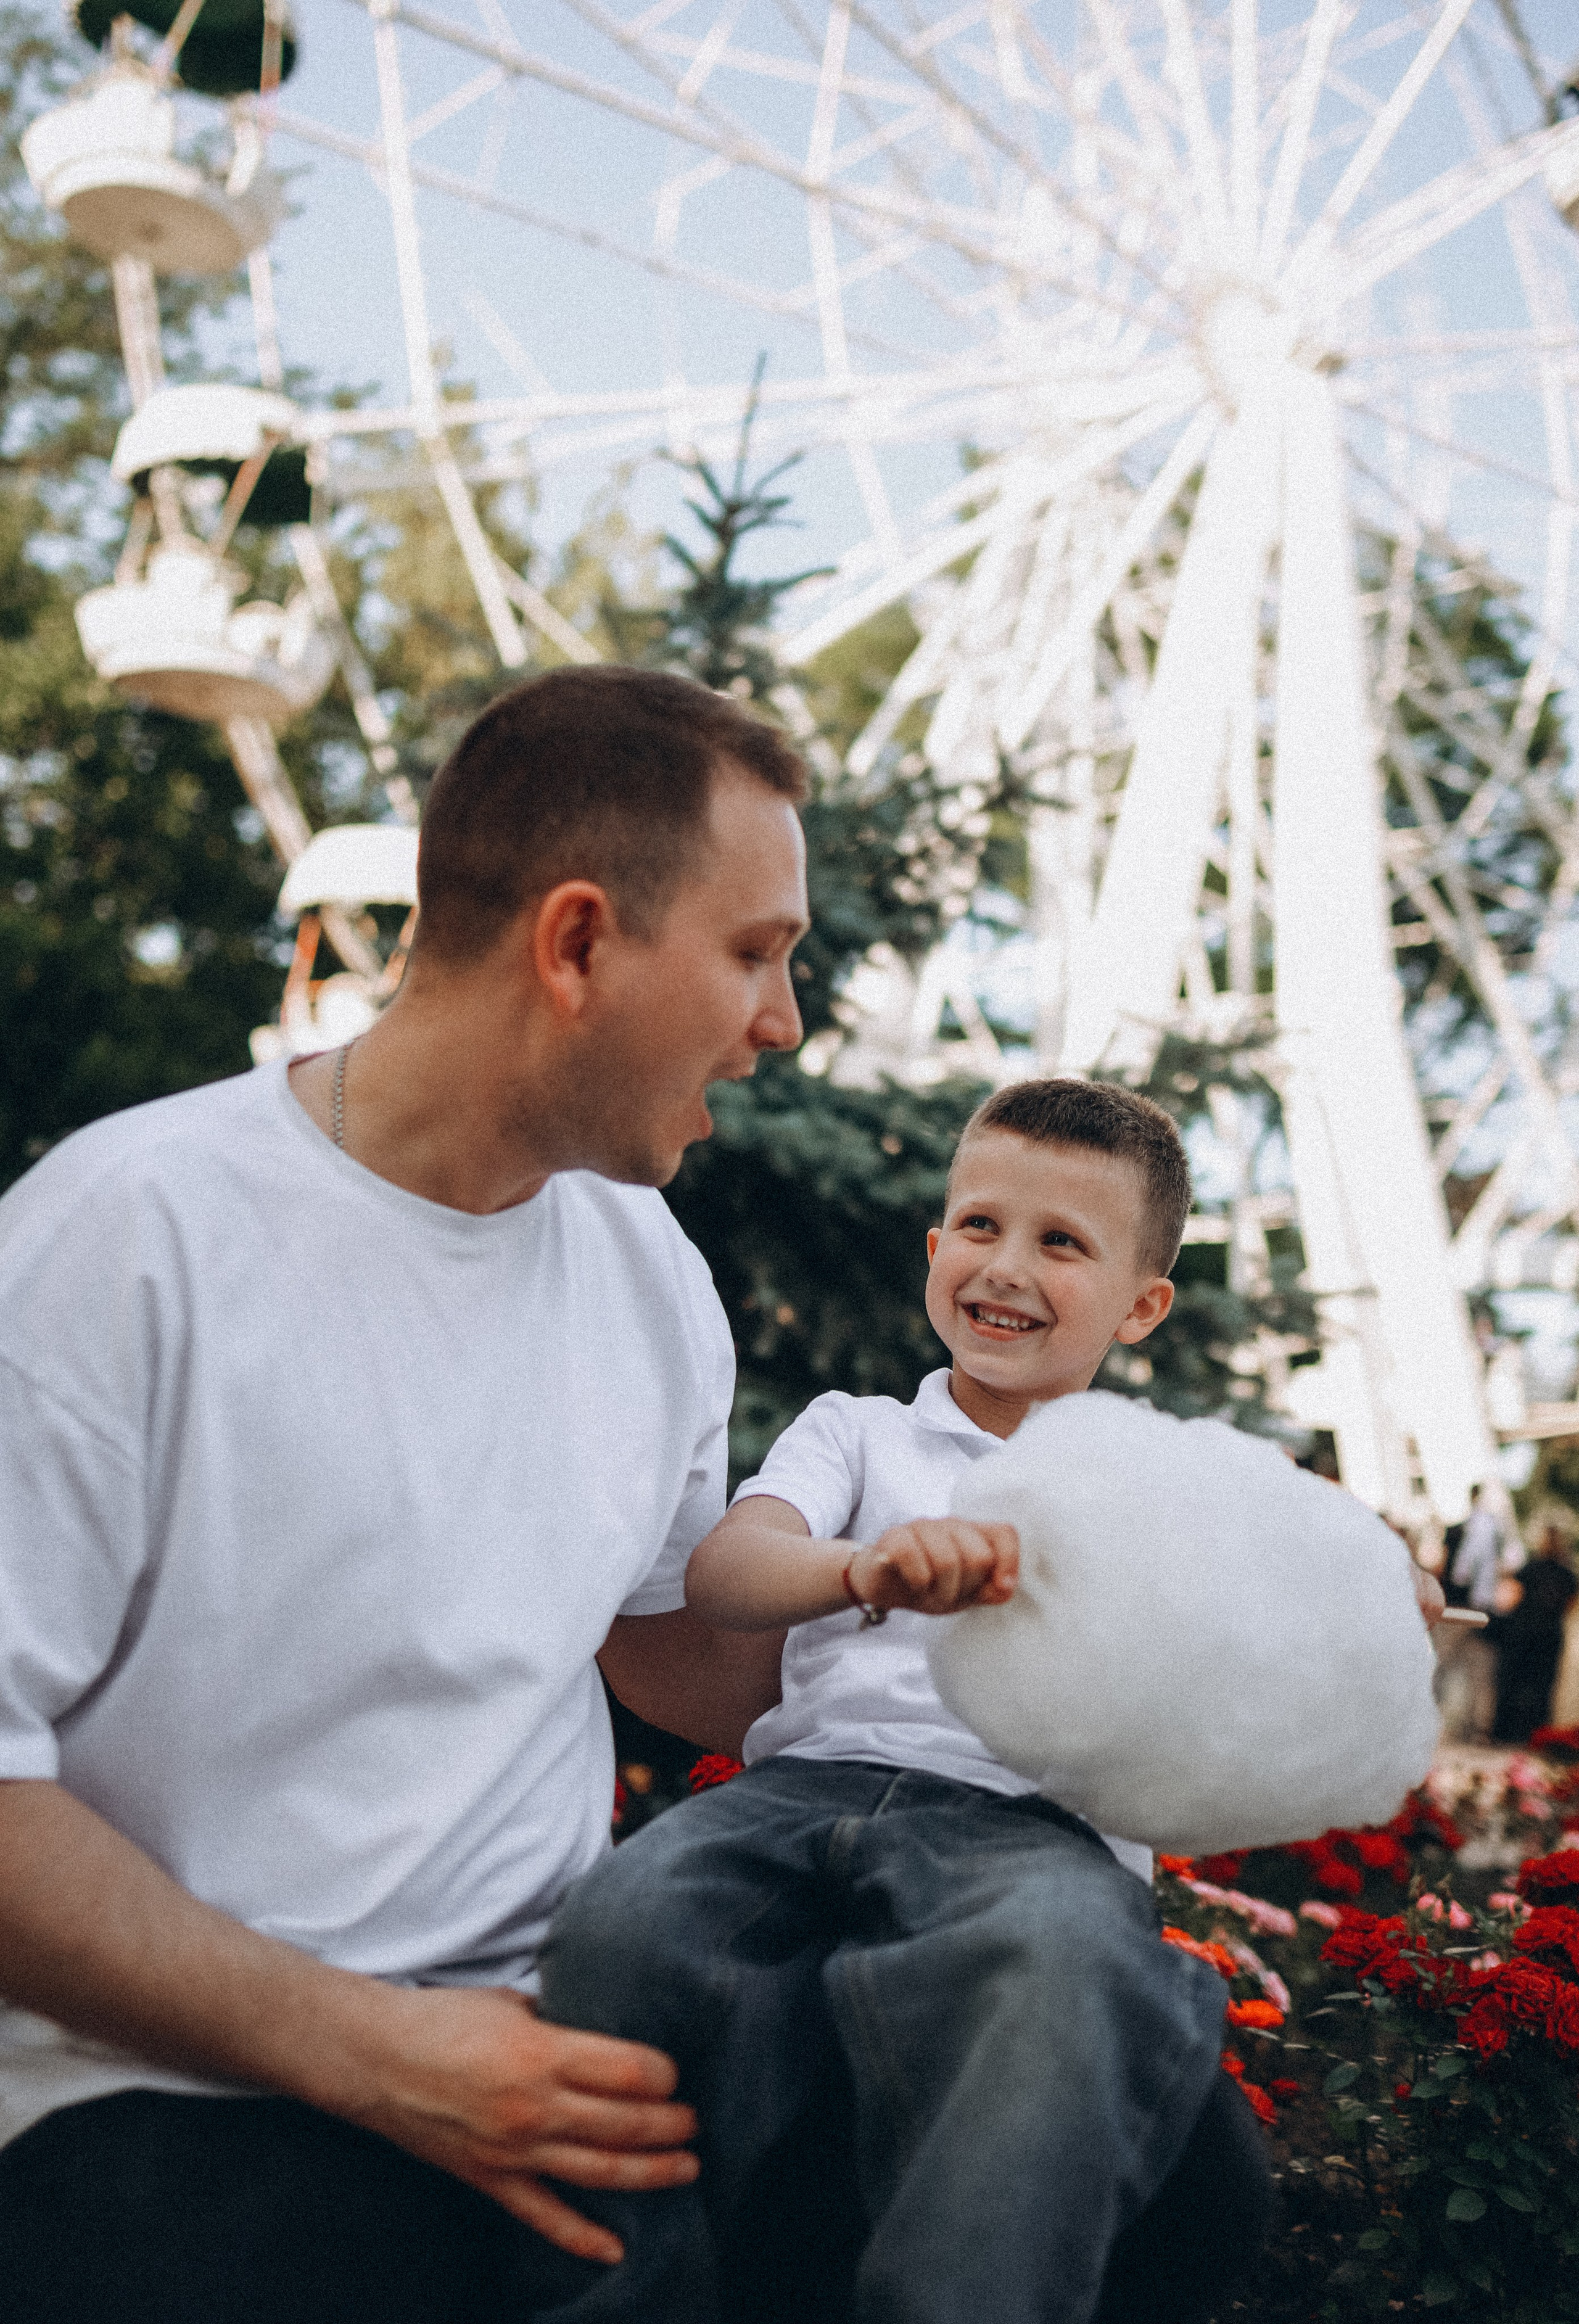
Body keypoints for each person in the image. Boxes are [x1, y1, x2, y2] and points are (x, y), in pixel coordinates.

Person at [0, 666, 813, 2323]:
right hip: (158, 2093)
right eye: (754, 953)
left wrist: (1056, 1587)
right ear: (578, 945)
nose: (781, 1023)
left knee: (1164, 2173)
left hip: (544, 2047)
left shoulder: (645, 1271)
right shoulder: (124, 1238)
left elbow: (670, 1646)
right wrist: (388, 2059)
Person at [539, 1081, 1280, 2324]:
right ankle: (625, 2298)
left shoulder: (1163, 1482)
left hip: (1023, 1820)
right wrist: (858, 1568)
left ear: (1141, 1305)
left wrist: (1372, 1600)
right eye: (980, 1227)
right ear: (932, 1252)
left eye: (1060, 1243)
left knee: (1056, 1966)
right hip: (797, 1796)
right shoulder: (858, 1434)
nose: (1005, 1266)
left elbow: (1259, 1644)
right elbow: (722, 1574)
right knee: (621, 1928)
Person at [1491, 1523, 1579, 1744]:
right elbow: (1571, 1604)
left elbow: (1510, 1597)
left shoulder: (1530, 1568)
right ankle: (1533, 1736)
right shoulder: (1566, 1574)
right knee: (1541, 1689)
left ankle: (1505, 1734)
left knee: (1512, 1684)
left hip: (1523, 1634)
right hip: (1549, 1637)